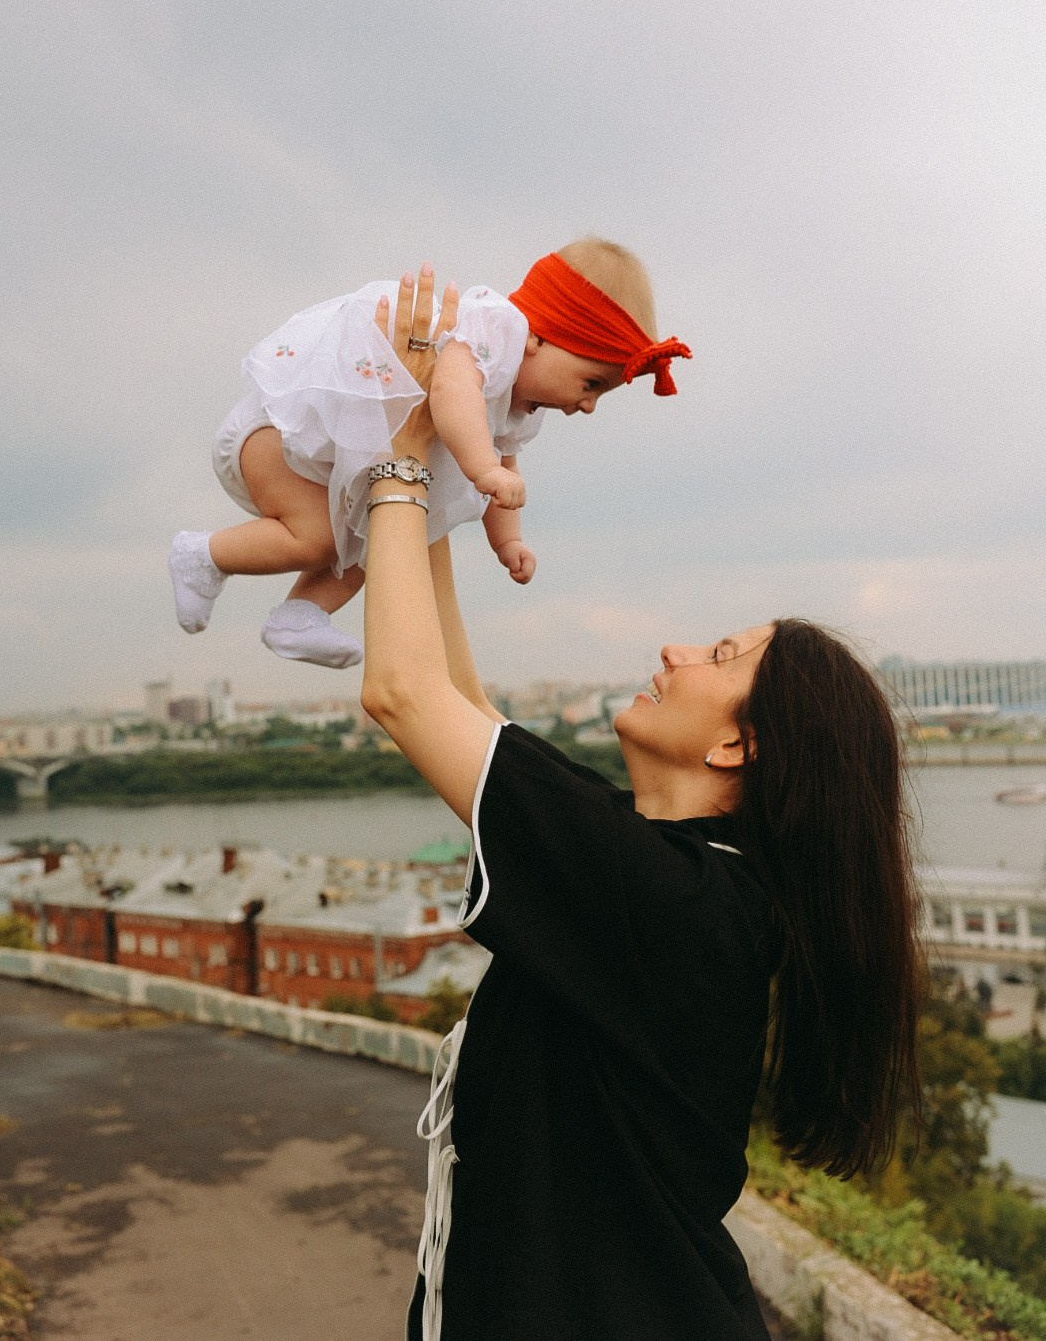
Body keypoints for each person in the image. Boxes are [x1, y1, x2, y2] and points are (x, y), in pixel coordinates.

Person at [359, 269, 923, 1341]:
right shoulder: (675, 875)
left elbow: (402, 691)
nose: (675, 649)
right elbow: (463, 701)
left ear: (737, 742)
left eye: (719, 655)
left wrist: (393, 456)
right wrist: (434, 462)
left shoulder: (665, 898)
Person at [168, 239, 691, 668]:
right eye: (591, 382)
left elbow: (504, 467)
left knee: (386, 537)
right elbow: (451, 393)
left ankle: (300, 616)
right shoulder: (494, 331)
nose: (589, 405)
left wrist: (509, 542)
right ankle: (202, 554)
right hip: (279, 435)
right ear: (539, 336)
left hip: (328, 468)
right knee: (319, 538)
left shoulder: (521, 406)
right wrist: (482, 467)